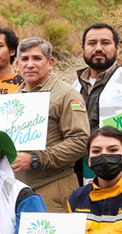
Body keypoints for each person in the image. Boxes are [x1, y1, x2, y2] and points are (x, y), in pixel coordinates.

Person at [11, 38, 90, 212]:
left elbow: (80, 141)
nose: (30, 64)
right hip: (19, 189)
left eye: (37, 58)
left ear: (50, 62)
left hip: (54, 186)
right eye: (24, 59)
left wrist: (35, 159)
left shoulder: (67, 95)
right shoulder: (13, 99)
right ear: (17, 64)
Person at [73, 23, 122, 183]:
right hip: (82, 178)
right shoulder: (74, 87)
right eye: (92, 43)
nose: (98, 48)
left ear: (117, 48)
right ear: (83, 48)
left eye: (105, 43)